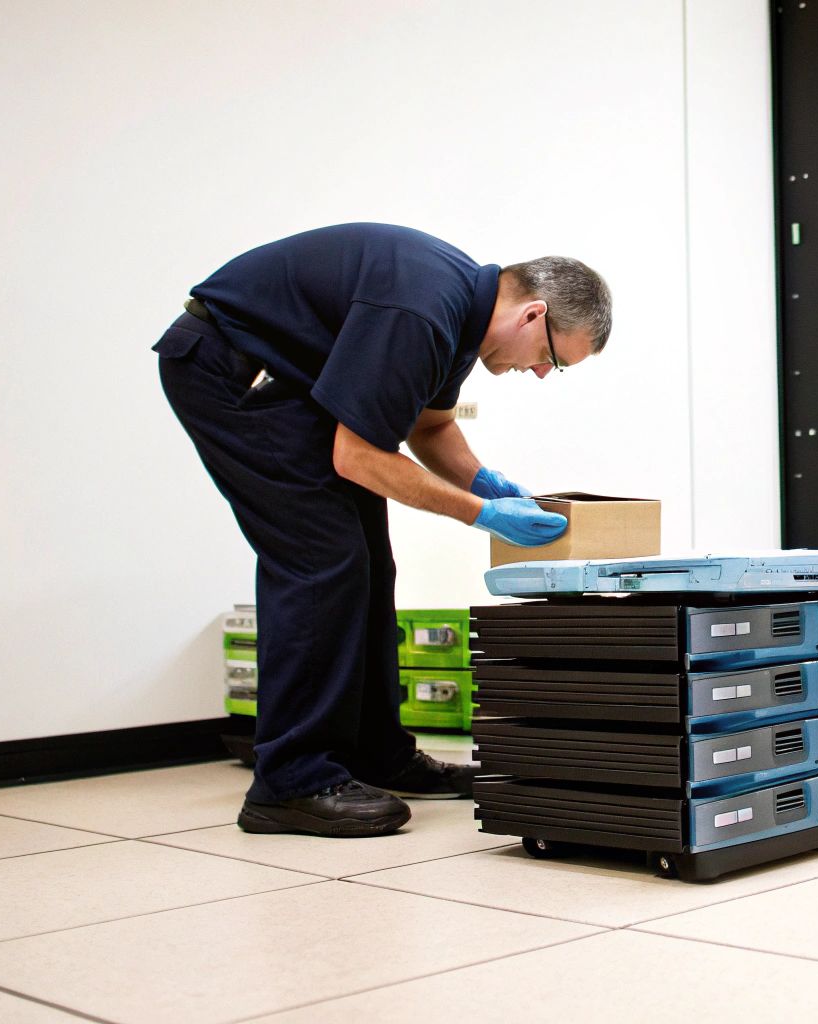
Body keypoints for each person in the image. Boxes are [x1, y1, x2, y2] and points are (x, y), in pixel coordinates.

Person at [155, 223, 610, 838]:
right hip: (234, 372)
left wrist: (486, 484)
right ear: (533, 315)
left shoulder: (459, 316)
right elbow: (358, 458)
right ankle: (290, 781)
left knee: (368, 560)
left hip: (292, 386)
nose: (539, 374)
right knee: (322, 563)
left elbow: (429, 429)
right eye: (552, 359)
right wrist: (480, 515)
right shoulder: (422, 309)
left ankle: (377, 754)